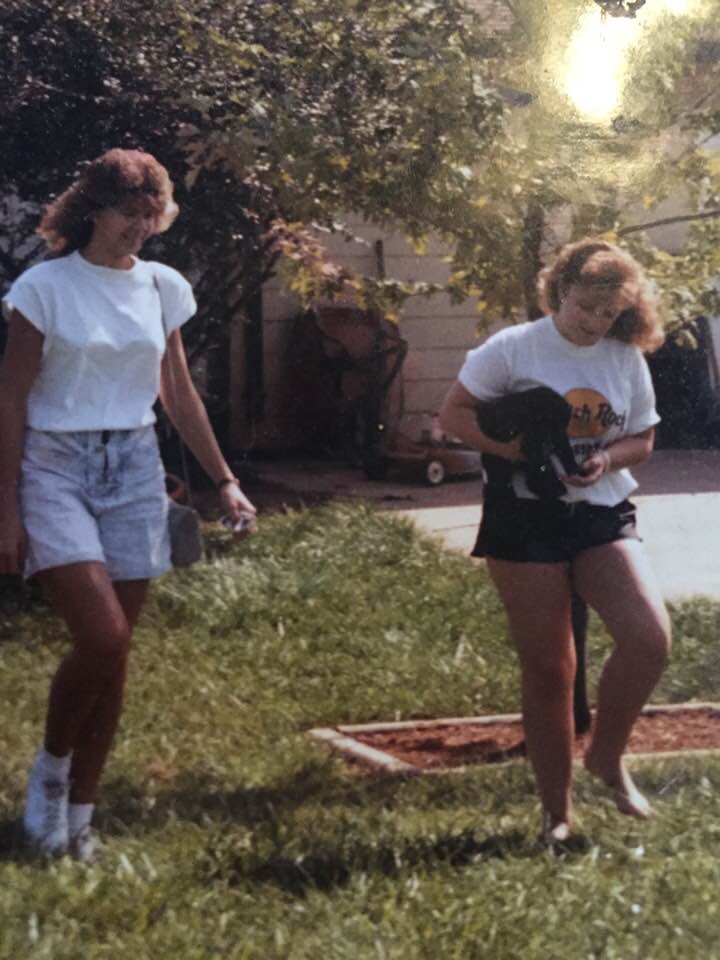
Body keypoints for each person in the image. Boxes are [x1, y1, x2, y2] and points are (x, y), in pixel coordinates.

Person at [0, 148, 257, 860]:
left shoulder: (161, 287)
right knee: (103, 637)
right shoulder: (43, 287)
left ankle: (80, 818)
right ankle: (49, 773)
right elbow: (11, 398)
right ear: (93, 209)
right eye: (128, 214)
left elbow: (176, 390)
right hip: (54, 466)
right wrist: (6, 509)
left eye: (152, 215)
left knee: (114, 659)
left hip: (135, 469)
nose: (140, 228)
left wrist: (224, 480)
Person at [438, 238, 671, 843]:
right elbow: (454, 414)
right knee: (550, 668)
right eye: (584, 308)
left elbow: (641, 439)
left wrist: (604, 460)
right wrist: (513, 450)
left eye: (608, 312)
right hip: (523, 519)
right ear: (559, 289)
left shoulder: (624, 357)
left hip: (599, 512)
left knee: (648, 638)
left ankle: (606, 756)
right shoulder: (512, 348)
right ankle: (556, 815)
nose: (594, 322)